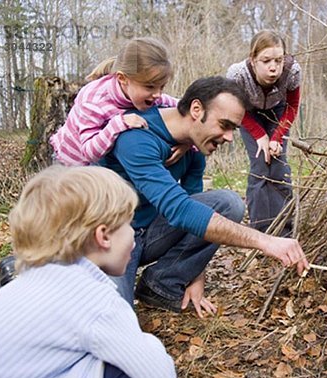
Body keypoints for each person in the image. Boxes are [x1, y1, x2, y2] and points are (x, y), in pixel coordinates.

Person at [99, 76, 309, 318]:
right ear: (196, 109)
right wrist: (266, 241)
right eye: (224, 125)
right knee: (116, 321)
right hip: (113, 238)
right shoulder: (136, 136)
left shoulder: (193, 147)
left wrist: (194, 276)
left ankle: (160, 283)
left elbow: (194, 212)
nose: (230, 138)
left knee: (228, 203)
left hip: (150, 232)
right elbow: (180, 210)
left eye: (234, 129)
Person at [0, 165, 176, 378]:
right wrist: (149, 343)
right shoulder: (95, 300)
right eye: (129, 224)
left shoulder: (13, 291)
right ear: (103, 236)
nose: (133, 236)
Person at [49, 36, 185, 166]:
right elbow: (89, 152)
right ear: (123, 79)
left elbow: (188, 111)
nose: (157, 94)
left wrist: (188, 142)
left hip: (103, 163)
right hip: (72, 165)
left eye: (161, 87)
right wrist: (119, 123)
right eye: (149, 86)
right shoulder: (94, 101)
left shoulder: (150, 95)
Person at [227, 30, 302, 235]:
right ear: (253, 60)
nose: (273, 67)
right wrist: (260, 135)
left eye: (278, 60)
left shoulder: (292, 71)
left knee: (278, 165)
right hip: (248, 113)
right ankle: (260, 231)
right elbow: (235, 108)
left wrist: (277, 137)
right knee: (260, 164)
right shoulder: (237, 75)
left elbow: (293, 106)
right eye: (266, 60)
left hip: (278, 112)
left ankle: (285, 229)